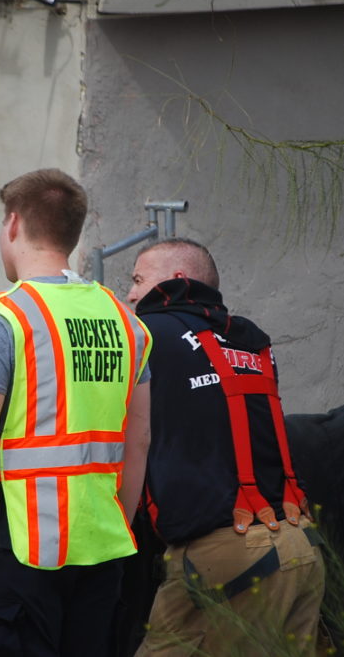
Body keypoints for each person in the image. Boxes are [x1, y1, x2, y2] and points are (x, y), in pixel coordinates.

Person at [0, 168, 153, 656]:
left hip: (19, 545)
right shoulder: (126, 322)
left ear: (13, 224)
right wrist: (118, 524)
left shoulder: (1, 318)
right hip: (101, 547)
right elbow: (137, 441)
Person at [126, 238, 325, 656]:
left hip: (227, 554)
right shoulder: (248, 339)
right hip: (299, 543)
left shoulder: (147, 336)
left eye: (139, 280)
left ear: (176, 279)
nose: (130, 294)